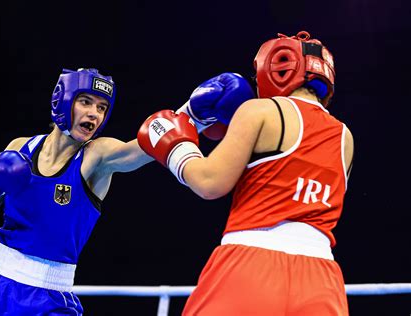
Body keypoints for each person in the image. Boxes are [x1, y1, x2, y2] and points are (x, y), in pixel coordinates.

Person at [0, 68, 254, 315]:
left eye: (102, 107)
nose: (94, 114)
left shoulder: (96, 156)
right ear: (64, 100)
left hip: (46, 298)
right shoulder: (19, 149)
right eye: (86, 102)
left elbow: (144, 148)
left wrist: (191, 115)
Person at [138, 31, 353, 315]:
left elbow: (209, 182)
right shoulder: (344, 137)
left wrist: (175, 147)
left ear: (275, 66)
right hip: (322, 277)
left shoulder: (260, 111)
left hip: (251, 264)